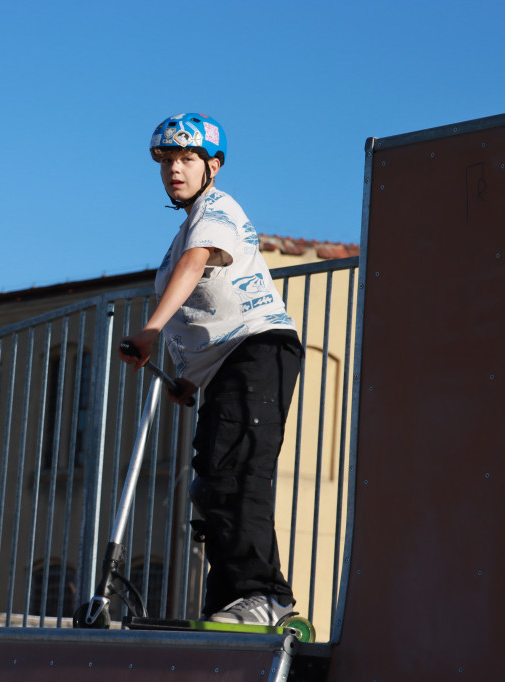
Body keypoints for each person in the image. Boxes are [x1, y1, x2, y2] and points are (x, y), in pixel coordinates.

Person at [117, 113, 304, 625]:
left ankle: (266, 596)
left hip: (258, 350)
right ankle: (228, 601)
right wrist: (189, 378)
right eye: (168, 161)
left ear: (212, 166)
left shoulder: (216, 209)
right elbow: (203, 311)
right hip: (224, 363)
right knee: (211, 484)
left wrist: (150, 331)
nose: (175, 169)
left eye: (187, 159)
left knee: (239, 473)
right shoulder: (183, 231)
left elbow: (196, 266)